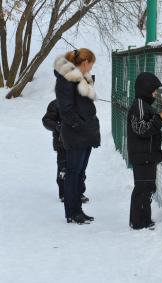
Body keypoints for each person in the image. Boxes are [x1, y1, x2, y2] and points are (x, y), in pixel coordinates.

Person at [54, 48, 100, 224]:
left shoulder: (81, 80)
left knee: (80, 173)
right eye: (91, 64)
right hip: (76, 135)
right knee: (73, 173)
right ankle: (71, 212)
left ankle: (78, 209)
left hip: (85, 134)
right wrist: (80, 126)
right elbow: (66, 110)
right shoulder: (66, 81)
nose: (91, 69)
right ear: (85, 62)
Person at [127, 72, 162, 230]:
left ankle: (143, 219)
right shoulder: (139, 106)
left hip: (147, 156)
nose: (156, 94)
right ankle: (138, 222)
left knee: (148, 187)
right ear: (146, 89)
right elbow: (141, 129)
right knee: (143, 188)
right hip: (142, 156)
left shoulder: (144, 106)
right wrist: (160, 119)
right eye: (154, 90)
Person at [42, 99, 90, 203]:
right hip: (62, 143)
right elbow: (46, 120)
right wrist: (57, 126)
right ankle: (64, 193)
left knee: (79, 168)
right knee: (64, 168)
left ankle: (79, 192)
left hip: (79, 142)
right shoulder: (55, 104)